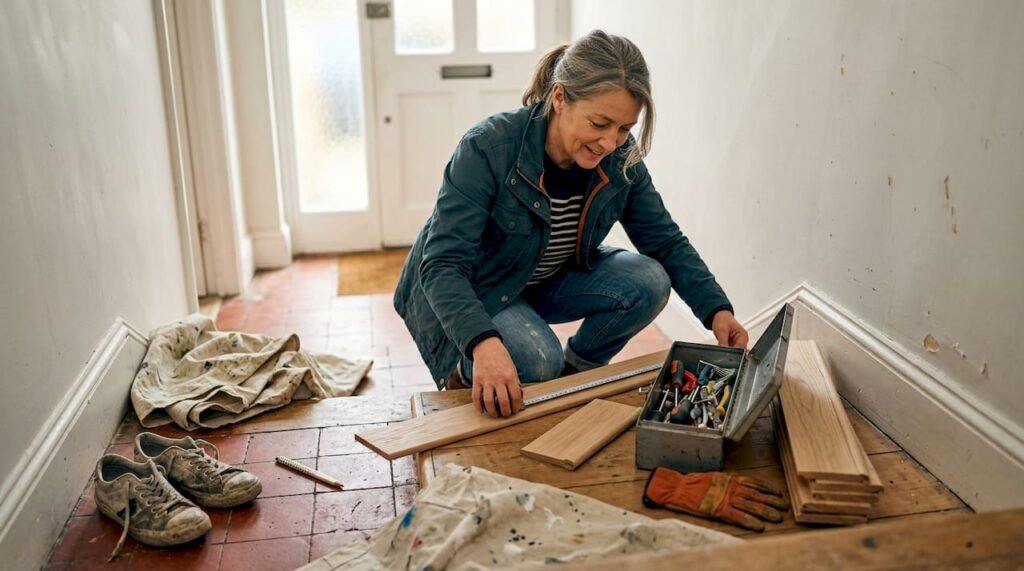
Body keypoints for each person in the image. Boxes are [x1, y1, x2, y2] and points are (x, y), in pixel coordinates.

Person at [394, 30, 747, 419]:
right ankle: (467, 369)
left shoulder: (619, 159)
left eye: (624, 128)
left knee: (649, 279)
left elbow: (664, 240)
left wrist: (717, 310)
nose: (610, 143)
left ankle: (574, 376)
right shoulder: (487, 147)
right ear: (559, 98)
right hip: (478, 288)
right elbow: (442, 264)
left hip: (541, 278)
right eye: (600, 123)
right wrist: (483, 344)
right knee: (537, 359)